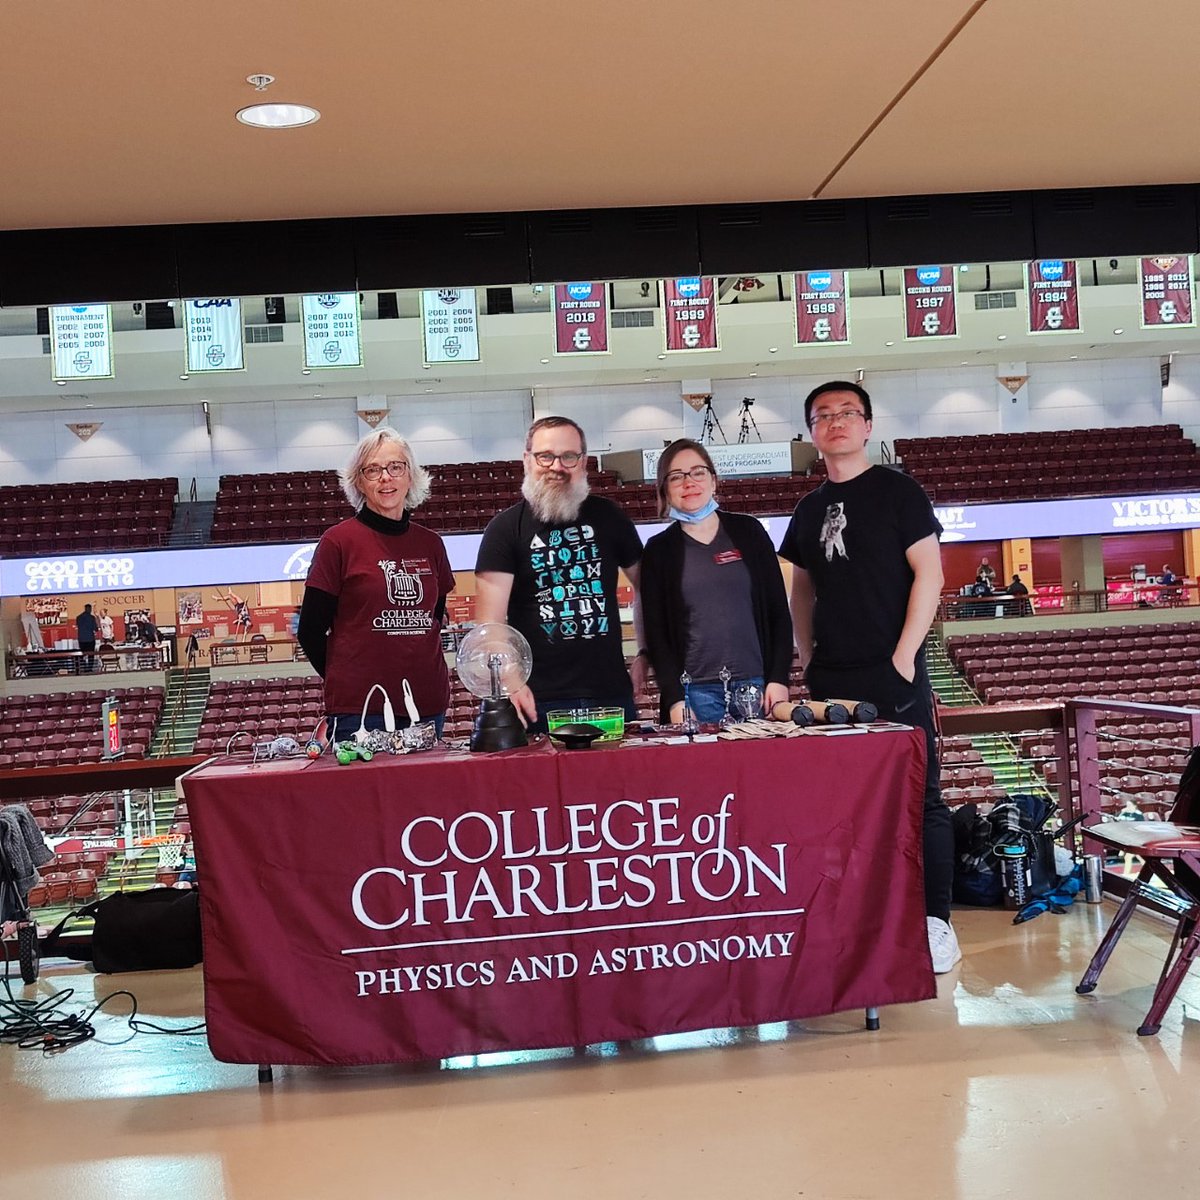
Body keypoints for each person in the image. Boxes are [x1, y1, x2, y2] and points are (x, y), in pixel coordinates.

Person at [778, 381, 959, 974]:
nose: (835, 422)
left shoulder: (899, 491)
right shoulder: (808, 509)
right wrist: (807, 655)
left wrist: (904, 656)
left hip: (892, 672)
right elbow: (801, 590)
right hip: (832, 677)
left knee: (921, 797)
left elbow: (930, 574)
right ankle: (858, 915)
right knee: (846, 803)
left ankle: (935, 922)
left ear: (868, 425)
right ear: (811, 432)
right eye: (822, 416)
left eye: (847, 413)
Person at [475, 415, 643, 732]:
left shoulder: (610, 517)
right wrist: (511, 680)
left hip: (610, 695)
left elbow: (649, 589)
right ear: (527, 460)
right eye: (545, 456)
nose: (557, 466)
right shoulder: (504, 529)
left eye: (568, 456)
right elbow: (490, 622)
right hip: (537, 701)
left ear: (583, 462)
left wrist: (646, 650)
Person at [298, 427, 454, 743]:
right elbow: (310, 631)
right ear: (358, 481)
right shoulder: (337, 542)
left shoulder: (432, 544)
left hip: (427, 703)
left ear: (410, 476)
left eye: (396, 467)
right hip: (361, 709)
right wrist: (346, 678)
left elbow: (433, 618)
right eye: (373, 469)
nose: (386, 477)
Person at [638, 438, 792, 724]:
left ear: (713, 480)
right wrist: (675, 699)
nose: (689, 482)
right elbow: (657, 635)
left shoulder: (749, 532)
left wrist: (779, 678)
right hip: (694, 694)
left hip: (757, 689)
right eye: (676, 476)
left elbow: (779, 613)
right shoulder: (658, 551)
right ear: (664, 489)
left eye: (698, 472)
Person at [75, 603, 98, 672]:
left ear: (85, 608)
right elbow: (95, 628)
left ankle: (84, 667)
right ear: (90, 609)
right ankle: (89, 668)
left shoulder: (78, 617)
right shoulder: (92, 618)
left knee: (82, 654)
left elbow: (78, 626)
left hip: (81, 639)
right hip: (90, 639)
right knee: (91, 655)